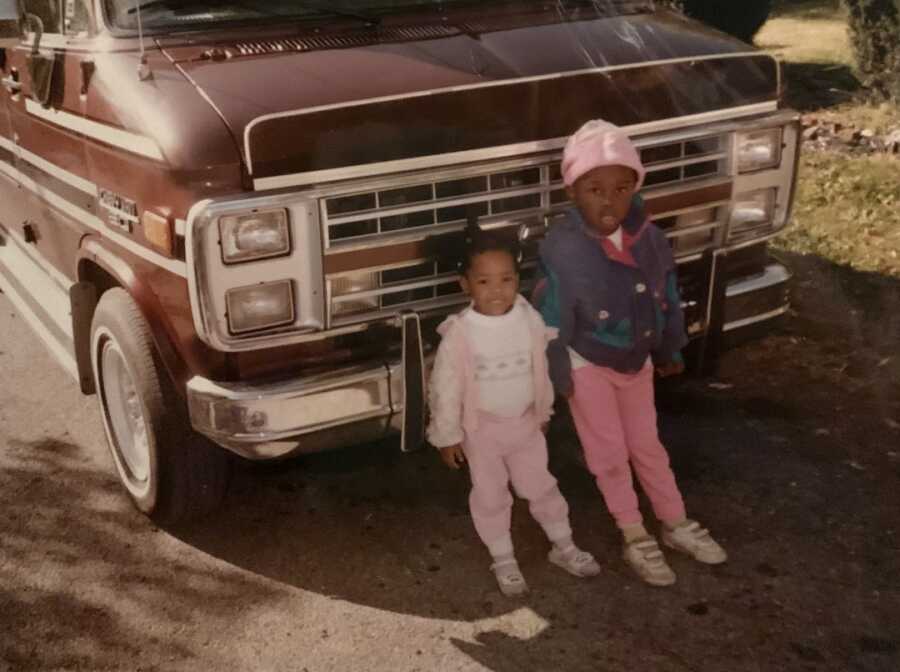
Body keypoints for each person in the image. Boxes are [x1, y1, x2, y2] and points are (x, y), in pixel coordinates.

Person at [536, 119, 727, 586]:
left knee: (647, 445)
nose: (610, 200)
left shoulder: (652, 240)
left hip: (636, 361)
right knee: (609, 452)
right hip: (587, 364)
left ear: (636, 189)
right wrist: (556, 372)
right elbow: (551, 313)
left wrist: (669, 345)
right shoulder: (563, 247)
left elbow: (665, 294)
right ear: (573, 190)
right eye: (595, 188)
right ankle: (634, 531)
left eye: (622, 188)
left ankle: (675, 522)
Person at [427, 233, 600, 596]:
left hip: (525, 425)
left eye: (506, 279)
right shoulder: (460, 333)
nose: (497, 290)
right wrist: (447, 436)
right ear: (466, 285)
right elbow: (445, 388)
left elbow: (539, 367)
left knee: (541, 485)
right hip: (482, 431)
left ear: (517, 280)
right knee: (490, 494)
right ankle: (503, 557)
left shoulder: (528, 318)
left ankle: (563, 545)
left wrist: (543, 407)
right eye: (484, 281)